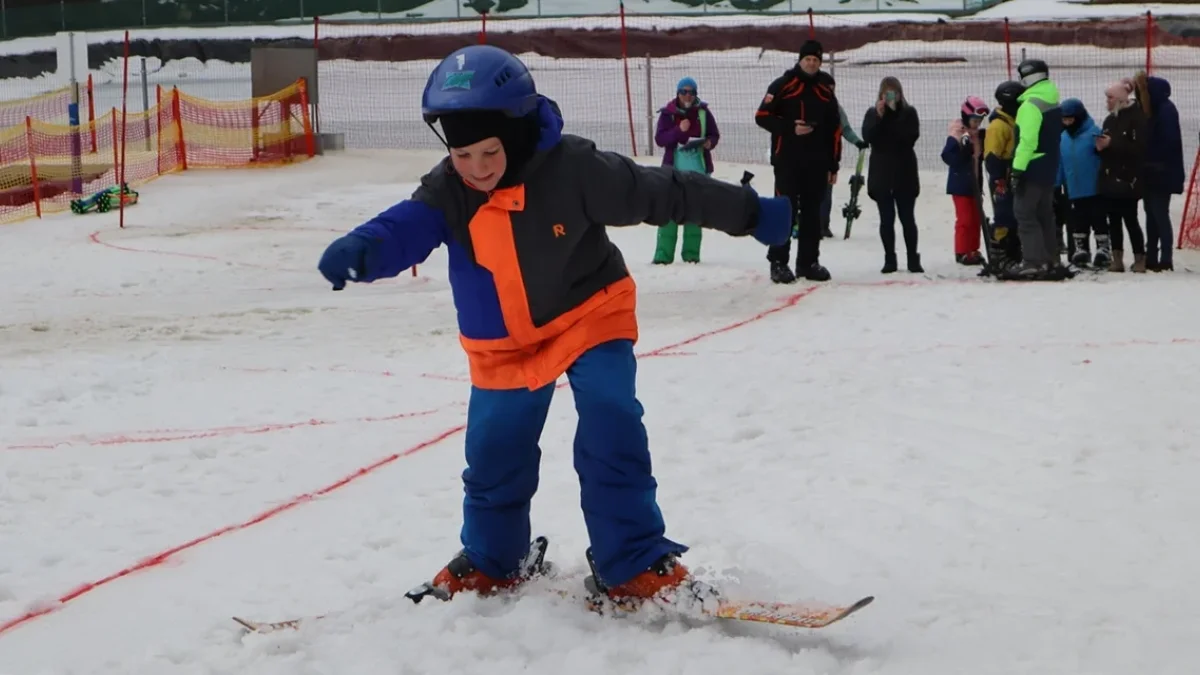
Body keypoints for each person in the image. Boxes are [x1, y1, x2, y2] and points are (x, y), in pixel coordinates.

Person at [316, 45, 792, 607]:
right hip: (503, 344)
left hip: (589, 315)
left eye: (488, 151)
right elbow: (405, 226)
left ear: (515, 134)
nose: (476, 169)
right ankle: (494, 560)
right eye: (462, 155)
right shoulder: (449, 190)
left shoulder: (575, 170)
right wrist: (364, 248)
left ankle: (633, 559)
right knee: (495, 453)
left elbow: (662, 191)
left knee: (611, 419)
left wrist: (751, 211)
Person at [755, 39, 842, 284]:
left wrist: (833, 164)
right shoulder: (784, 84)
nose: (812, 64)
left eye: (816, 60)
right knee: (785, 211)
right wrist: (789, 128)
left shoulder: (826, 89)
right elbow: (762, 116)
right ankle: (778, 262)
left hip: (817, 162)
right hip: (788, 161)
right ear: (800, 60)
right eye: (808, 59)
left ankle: (808, 262)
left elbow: (835, 128)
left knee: (813, 214)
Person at [652, 76, 721, 264]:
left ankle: (691, 256)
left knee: (694, 214)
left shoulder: (704, 113)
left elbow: (714, 134)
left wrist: (709, 142)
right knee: (669, 214)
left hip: (698, 172)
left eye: (691, 92)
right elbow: (660, 139)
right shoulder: (668, 114)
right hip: (673, 173)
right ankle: (663, 256)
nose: (687, 95)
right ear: (678, 93)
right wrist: (678, 130)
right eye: (684, 91)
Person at [1009, 58, 1067, 280]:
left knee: (1024, 214)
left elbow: (1027, 142)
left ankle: (1033, 261)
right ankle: (1051, 260)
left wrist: (1017, 169)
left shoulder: (1030, 105)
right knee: (1044, 214)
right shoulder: (1052, 99)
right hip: (1049, 165)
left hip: (1032, 166)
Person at [861, 75, 923, 273]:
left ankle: (913, 257)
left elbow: (909, 138)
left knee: (907, 218)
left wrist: (893, 117)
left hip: (904, 172)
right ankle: (890, 258)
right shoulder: (872, 114)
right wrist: (880, 118)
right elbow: (869, 137)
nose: (890, 97)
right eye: (886, 93)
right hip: (882, 173)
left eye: (894, 93)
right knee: (886, 219)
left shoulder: (909, 113)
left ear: (900, 94)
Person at [1097, 77, 1148, 273]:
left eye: (1110, 98)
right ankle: (1117, 258)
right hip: (1110, 177)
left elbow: (1139, 149)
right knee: (1114, 221)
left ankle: (1139, 258)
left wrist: (1113, 144)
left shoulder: (1137, 118)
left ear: (1119, 99)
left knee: (1130, 219)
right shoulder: (1110, 119)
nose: (1107, 102)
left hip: (1128, 179)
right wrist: (1100, 147)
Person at [1056, 97, 1109, 268]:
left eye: (1070, 119)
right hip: (1074, 188)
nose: (1067, 123)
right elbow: (1060, 163)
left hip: (1095, 188)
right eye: (1064, 120)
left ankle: (1103, 248)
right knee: (1079, 220)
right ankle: (1081, 249)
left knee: (1098, 218)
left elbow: (1104, 157)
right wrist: (1057, 184)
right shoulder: (1063, 138)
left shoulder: (1093, 133)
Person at [1141, 73, 1185, 272]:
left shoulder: (1165, 111)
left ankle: (1165, 257)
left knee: (1159, 214)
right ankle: (1152, 256)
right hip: (1154, 172)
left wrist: (1150, 158)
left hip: (1161, 173)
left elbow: (1168, 143)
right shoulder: (1158, 110)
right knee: (1151, 214)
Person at [941, 96, 989, 266]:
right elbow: (948, 156)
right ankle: (962, 250)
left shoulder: (978, 136)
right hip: (960, 185)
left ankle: (973, 249)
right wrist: (963, 151)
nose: (976, 124)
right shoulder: (957, 134)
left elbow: (981, 157)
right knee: (965, 219)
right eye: (974, 120)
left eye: (979, 120)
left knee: (977, 218)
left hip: (975, 184)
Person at [983, 80, 1024, 275]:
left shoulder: (1013, 120)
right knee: (1004, 214)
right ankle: (999, 256)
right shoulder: (998, 126)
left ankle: (1014, 252)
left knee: (1015, 215)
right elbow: (991, 156)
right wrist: (999, 178)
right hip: (1002, 177)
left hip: (1012, 173)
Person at [821, 82, 868, 239]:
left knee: (825, 194)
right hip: (807, 159)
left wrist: (857, 142)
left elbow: (845, 129)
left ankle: (822, 226)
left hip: (829, 160)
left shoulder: (837, 110)